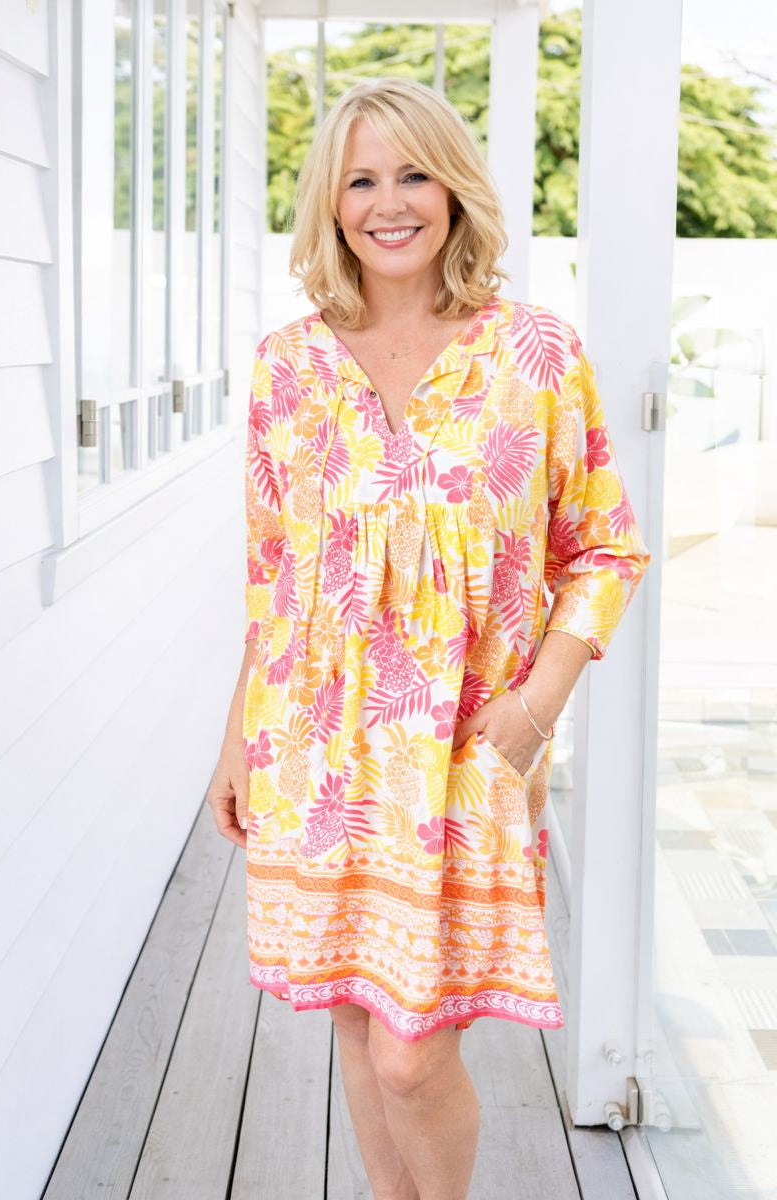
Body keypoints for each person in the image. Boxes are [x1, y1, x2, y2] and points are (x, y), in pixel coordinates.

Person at [207, 76, 651, 1200]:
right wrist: (234, 744)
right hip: (316, 753)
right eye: (361, 179)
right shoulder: (288, 367)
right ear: (331, 200)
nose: (388, 202)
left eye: (413, 174)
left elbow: (605, 550)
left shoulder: (534, 354)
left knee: (414, 1051)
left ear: (453, 189)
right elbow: (275, 579)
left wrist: (534, 711)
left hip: (464, 751)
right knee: (359, 1019)